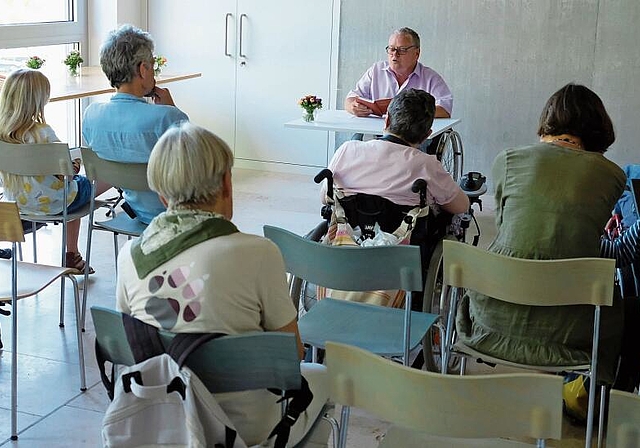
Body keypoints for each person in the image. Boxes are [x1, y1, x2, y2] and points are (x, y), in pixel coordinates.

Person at [116, 122, 331, 447]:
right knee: (324, 378)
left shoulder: (129, 255)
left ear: (161, 195)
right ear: (227, 184)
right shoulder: (259, 252)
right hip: (248, 426)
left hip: (165, 417)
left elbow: (130, 341)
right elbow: (291, 354)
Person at [455, 83, 629, 386]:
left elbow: (519, 230)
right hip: (573, 329)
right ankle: (591, 403)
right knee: (624, 300)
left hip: (492, 316)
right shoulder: (612, 175)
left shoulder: (507, 160)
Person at [0, 68, 111, 271]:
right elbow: (67, 174)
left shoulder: (2, 135)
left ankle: (73, 255)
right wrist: (76, 163)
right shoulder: (43, 133)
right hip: (56, 204)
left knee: (72, 189)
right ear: (38, 100)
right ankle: (72, 253)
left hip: (17, 207)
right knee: (98, 180)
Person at [83, 24, 188, 225]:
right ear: (142, 69)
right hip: (176, 218)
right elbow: (195, 166)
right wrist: (173, 110)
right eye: (152, 66)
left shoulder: (91, 116)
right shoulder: (168, 118)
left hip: (137, 214)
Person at [325, 88, 468, 215]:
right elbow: (461, 206)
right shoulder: (427, 165)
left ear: (387, 121)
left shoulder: (348, 149)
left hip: (347, 236)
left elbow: (325, 196)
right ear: (426, 135)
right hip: (403, 240)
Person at [344, 27, 453, 119]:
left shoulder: (430, 78)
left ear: (417, 53)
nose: (395, 55)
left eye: (402, 50)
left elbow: (445, 109)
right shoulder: (376, 70)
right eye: (391, 49)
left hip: (413, 139)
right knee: (355, 141)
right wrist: (353, 107)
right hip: (376, 135)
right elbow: (351, 98)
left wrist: (409, 113)